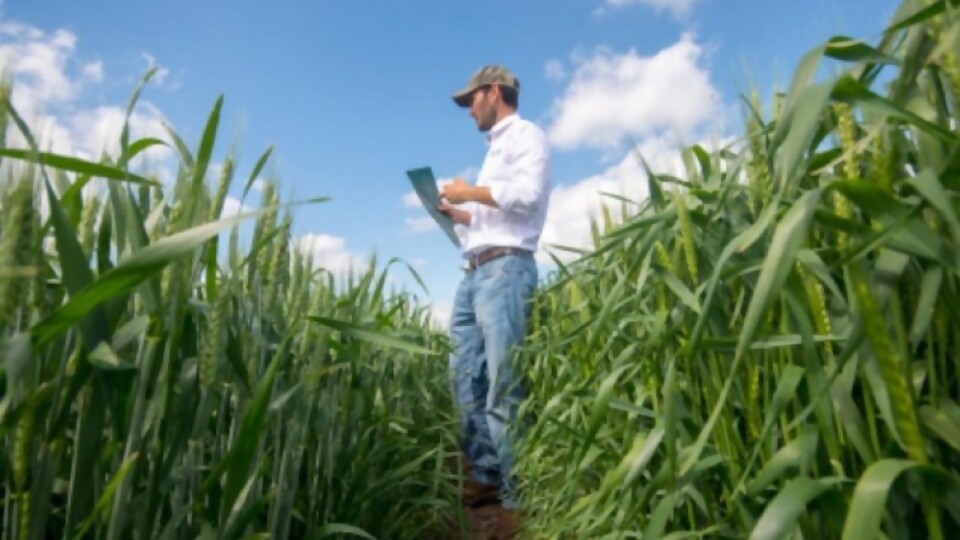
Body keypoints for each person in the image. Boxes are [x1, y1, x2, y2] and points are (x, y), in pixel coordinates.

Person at [437, 65, 551, 511]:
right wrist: (458, 213)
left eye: (472, 101)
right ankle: (485, 473)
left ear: (495, 92)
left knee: (504, 384)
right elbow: (493, 217)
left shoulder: (527, 136)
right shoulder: (492, 151)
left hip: (506, 270)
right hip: (475, 272)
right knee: (464, 376)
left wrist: (470, 192)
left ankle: (517, 497)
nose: (470, 111)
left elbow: (528, 196)